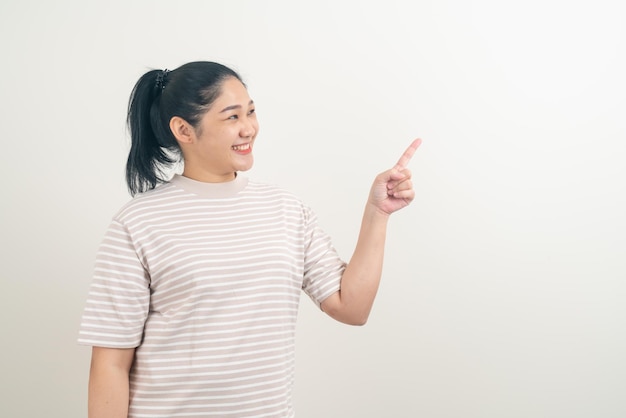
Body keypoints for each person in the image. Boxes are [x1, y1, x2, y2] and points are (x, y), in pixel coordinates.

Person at [78, 61, 421, 418]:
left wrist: (377, 213)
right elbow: (110, 365)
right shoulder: (138, 223)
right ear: (183, 129)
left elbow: (351, 307)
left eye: (252, 112)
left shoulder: (286, 210)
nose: (249, 129)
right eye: (232, 117)